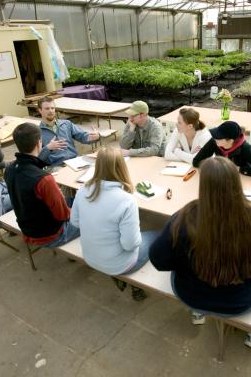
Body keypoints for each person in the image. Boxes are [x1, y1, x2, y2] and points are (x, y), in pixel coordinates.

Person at [149, 157, 251, 346]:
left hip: (192, 295)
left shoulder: (184, 218)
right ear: (236, 183)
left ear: (203, 186)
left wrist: (186, 264)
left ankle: (199, 312)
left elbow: (158, 259)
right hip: (240, 300)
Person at [70, 146, 159, 300]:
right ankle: (129, 280)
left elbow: (75, 222)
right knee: (159, 233)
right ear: (122, 167)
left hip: (90, 256)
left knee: (125, 231)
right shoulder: (126, 200)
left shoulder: (83, 190)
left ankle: (119, 275)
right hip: (119, 264)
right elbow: (130, 245)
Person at [4, 123, 79, 247]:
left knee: (68, 199)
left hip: (28, 229)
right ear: (39, 143)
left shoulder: (9, 170)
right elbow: (63, 215)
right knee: (94, 214)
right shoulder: (44, 180)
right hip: (51, 235)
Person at [37, 96, 100, 166]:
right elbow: (37, 158)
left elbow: (82, 136)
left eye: (52, 108)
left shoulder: (66, 123)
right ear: (40, 110)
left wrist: (93, 137)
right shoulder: (37, 132)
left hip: (74, 161)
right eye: (47, 108)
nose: (51, 111)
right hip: (57, 166)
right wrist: (48, 148)